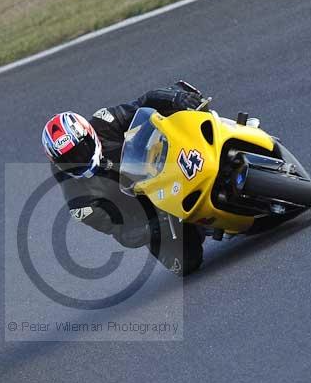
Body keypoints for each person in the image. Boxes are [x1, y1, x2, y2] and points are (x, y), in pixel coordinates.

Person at [41, 82, 206, 276]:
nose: (78, 159)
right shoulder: (80, 202)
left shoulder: (104, 122)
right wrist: (152, 227)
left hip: (165, 165)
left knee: (184, 108)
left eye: (81, 150)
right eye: (69, 159)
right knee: (187, 263)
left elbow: (143, 104)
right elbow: (122, 232)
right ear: (59, 163)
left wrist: (174, 97)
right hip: (150, 212)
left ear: (89, 134)